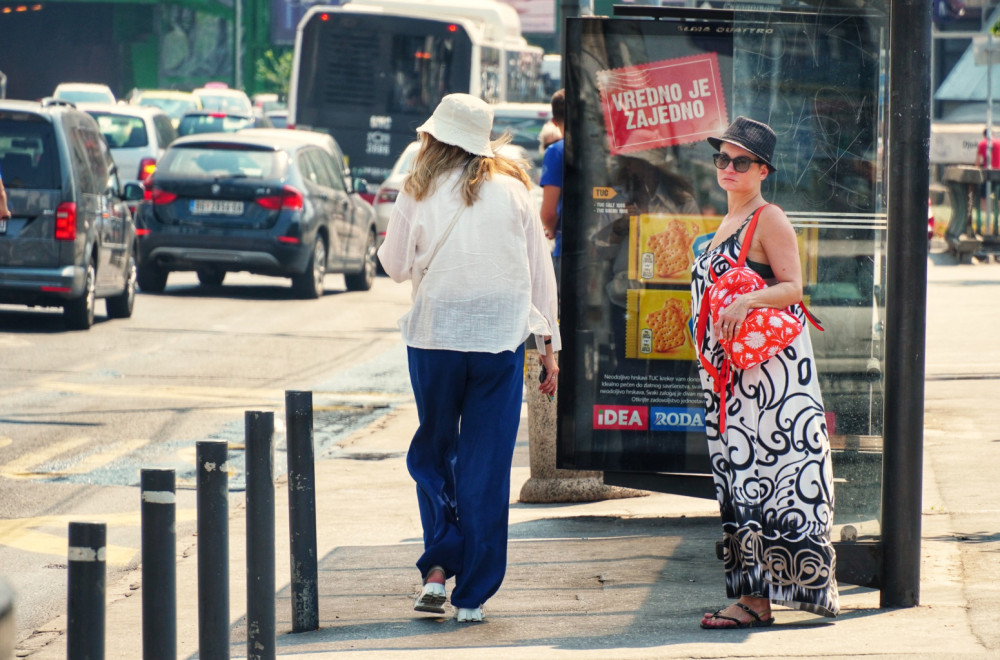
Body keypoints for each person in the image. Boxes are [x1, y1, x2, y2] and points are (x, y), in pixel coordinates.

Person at [377, 93, 561, 624]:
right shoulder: (516, 191)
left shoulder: (418, 189)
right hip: (500, 341)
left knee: (434, 454)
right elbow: (539, 276)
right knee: (486, 465)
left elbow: (392, 267)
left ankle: (437, 568)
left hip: (435, 339)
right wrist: (550, 350)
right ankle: (473, 596)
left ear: (434, 137)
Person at [691, 116, 839, 628]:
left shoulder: (767, 217)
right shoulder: (726, 222)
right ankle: (752, 596)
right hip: (731, 380)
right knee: (739, 480)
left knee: (768, 478)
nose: (728, 168)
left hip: (768, 381)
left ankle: (755, 601)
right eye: (722, 159)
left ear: (763, 170)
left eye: (741, 161)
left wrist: (750, 297)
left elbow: (794, 287)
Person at [539, 89, 565, 286]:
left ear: (554, 122)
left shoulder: (556, 152)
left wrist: (551, 228)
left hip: (568, 249)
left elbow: (547, 212)